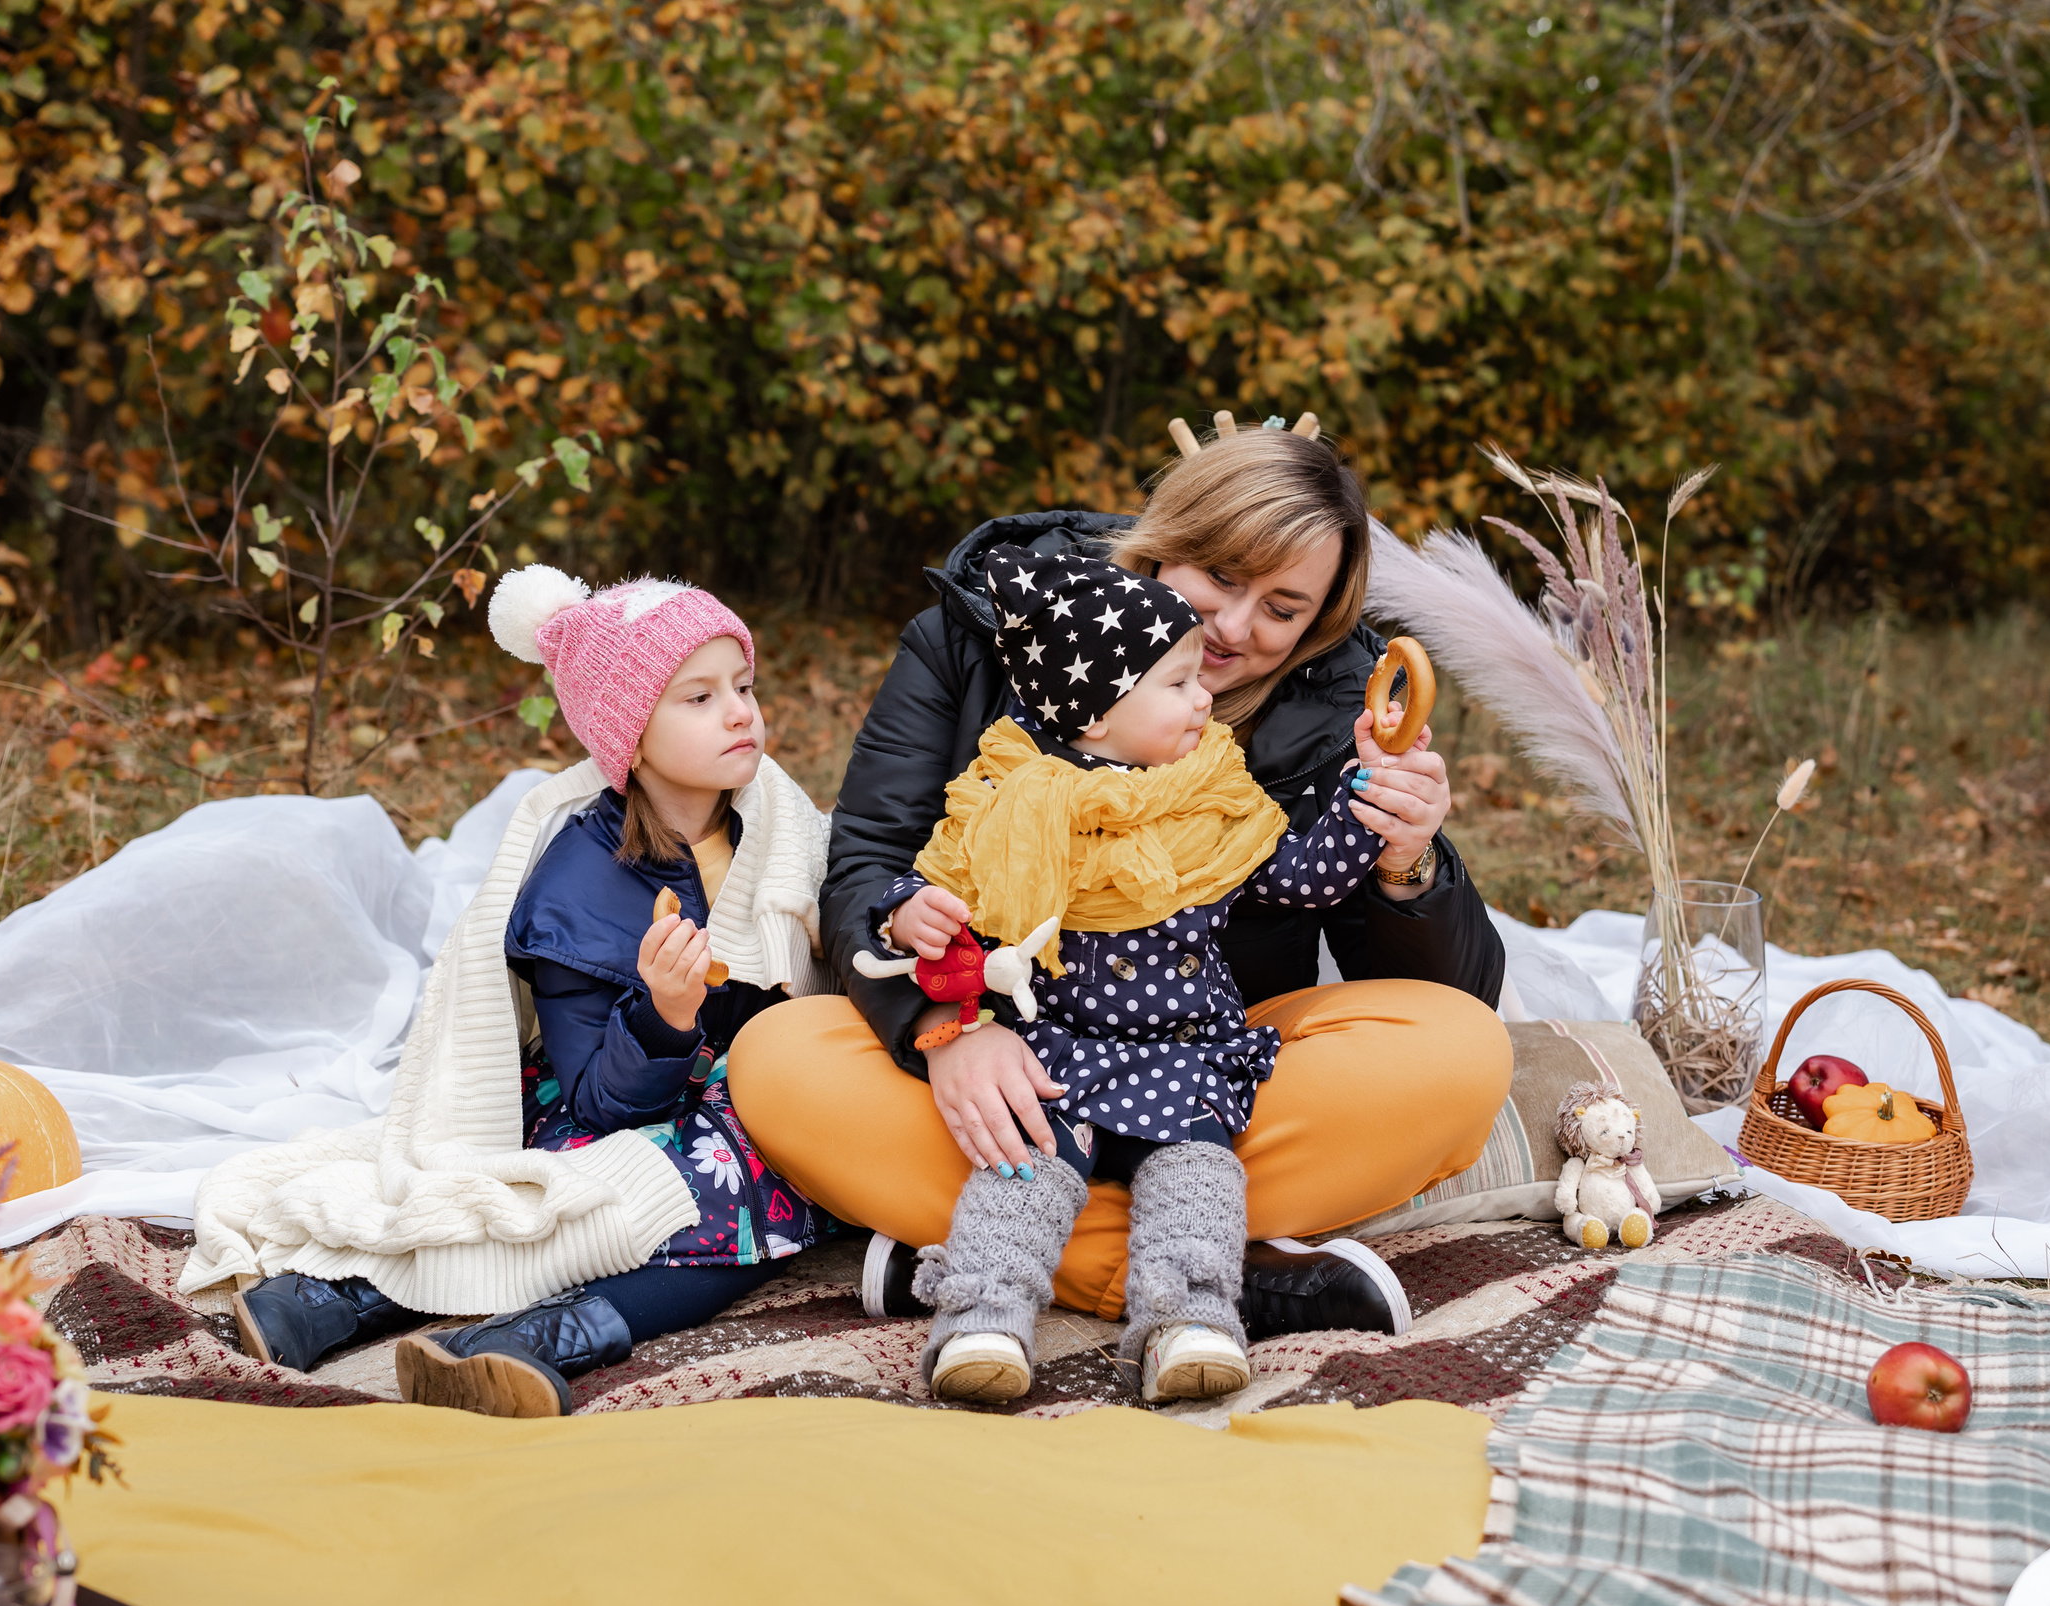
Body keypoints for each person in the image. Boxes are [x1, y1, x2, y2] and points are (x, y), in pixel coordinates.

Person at [729, 422, 1514, 1339]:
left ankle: (981, 1257)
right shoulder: (974, 638)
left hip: (1209, 1064)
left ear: (1316, 625)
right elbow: (868, 865)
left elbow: (1448, 989)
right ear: (1167, 537)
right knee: (776, 1057)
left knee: (1462, 1050)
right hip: (1013, 1052)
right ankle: (1210, 1277)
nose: (1233, 628)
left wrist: (1406, 858)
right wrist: (947, 1030)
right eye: (1220, 574)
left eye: (1281, 607)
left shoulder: (1341, 716)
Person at [224, 567, 831, 1418]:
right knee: (717, 1194)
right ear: (630, 737)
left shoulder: (774, 822)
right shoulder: (579, 884)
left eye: (743, 686)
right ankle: (401, 1307)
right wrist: (663, 1014)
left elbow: (829, 936)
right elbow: (597, 1100)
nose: (739, 712)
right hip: (610, 1097)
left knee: (789, 1155)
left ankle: (466, 1326)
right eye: (699, 697)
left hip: (735, 1084)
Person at [871, 545, 1391, 1405]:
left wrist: (1369, 794)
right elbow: (935, 881)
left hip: (1181, 1053)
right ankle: (982, 1318)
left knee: (1198, 1178)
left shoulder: (1212, 794)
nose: (1206, 696)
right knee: (1021, 1174)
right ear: (1096, 716)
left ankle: (1187, 1320)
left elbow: (1302, 878)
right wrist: (908, 913)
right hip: (1051, 1052)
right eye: (1178, 683)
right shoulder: (1011, 801)